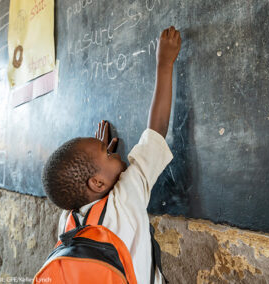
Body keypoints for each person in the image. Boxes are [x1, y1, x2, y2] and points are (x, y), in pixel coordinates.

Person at [41, 26, 181, 284]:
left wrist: (100, 159)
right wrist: (165, 63)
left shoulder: (68, 222)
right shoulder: (125, 200)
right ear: (97, 183)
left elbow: (84, 177)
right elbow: (157, 131)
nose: (114, 154)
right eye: (107, 153)